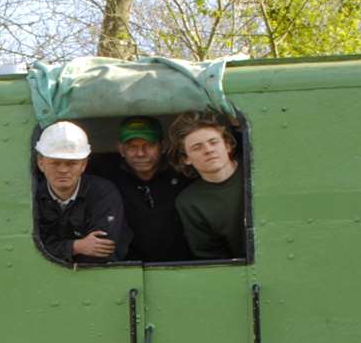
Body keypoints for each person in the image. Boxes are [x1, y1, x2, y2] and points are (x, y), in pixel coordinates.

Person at [91, 116, 191, 262]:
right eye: (132, 146)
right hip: (129, 268)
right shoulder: (106, 174)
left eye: (149, 145)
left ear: (162, 146)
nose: (140, 153)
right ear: (121, 149)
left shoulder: (183, 172)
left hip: (184, 265)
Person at [32, 120, 132, 264]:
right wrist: (75, 246)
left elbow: (101, 250)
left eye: (71, 163)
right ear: (41, 163)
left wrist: (54, 249)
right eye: (55, 163)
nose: (63, 170)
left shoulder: (103, 193)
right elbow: (28, 249)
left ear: (83, 165)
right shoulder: (31, 197)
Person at [172, 112, 246, 260]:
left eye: (213, 142)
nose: (208, 150)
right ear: (186, 158)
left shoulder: (256, 172)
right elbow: (211, 257)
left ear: (227, 145)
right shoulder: (189, 202)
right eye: (197, 147)